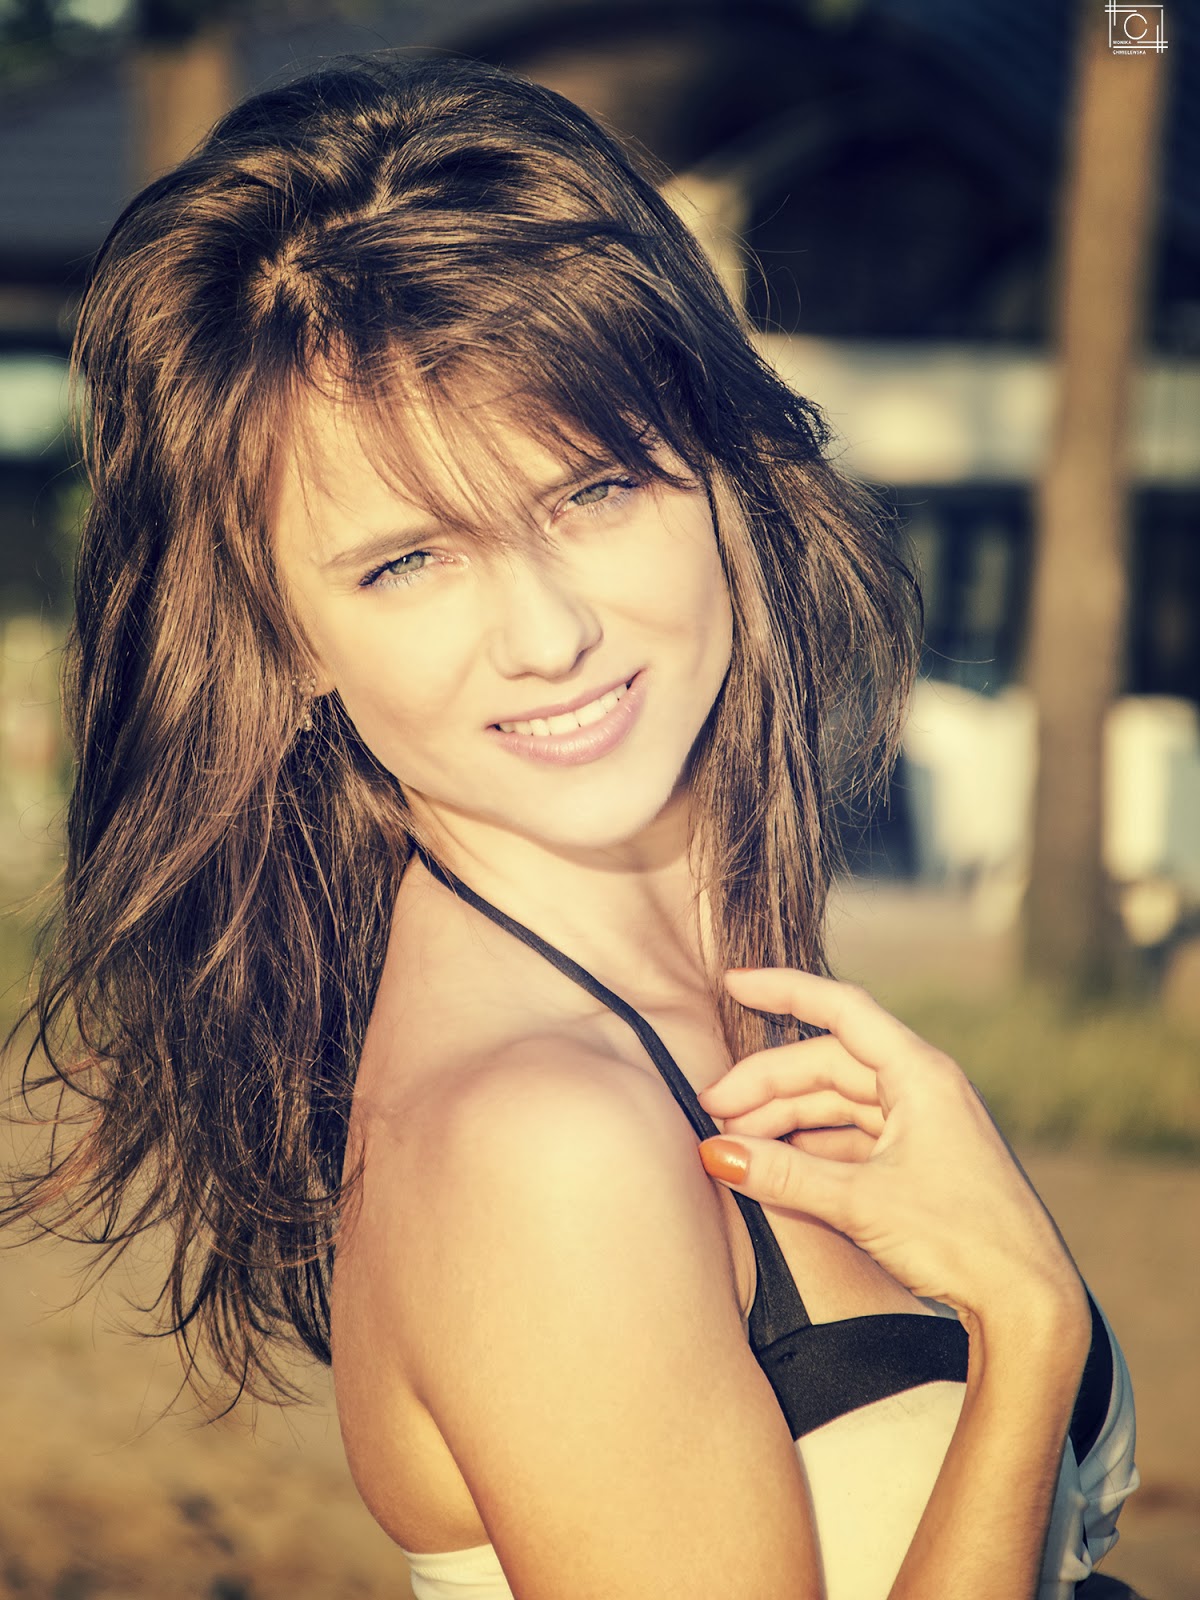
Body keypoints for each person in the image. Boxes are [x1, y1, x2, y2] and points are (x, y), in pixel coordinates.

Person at [3, 50, 1138, 1600]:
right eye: (410, 561)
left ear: (720, 471)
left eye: (594, 492)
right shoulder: (541, 1139)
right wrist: (1029, 1335)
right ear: (282, 639)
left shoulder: (733, 976)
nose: (549, 636)